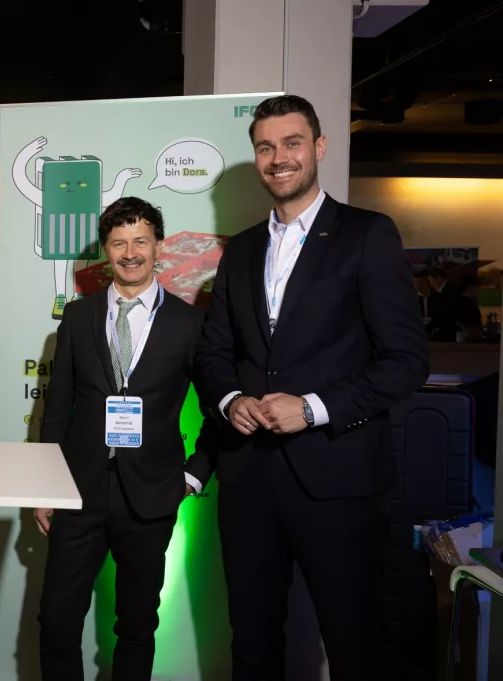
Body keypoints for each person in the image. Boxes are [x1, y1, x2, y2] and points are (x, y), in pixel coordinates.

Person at [194, 95, 429, 681]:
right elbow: (214, 353)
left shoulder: (366, 235)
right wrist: (230, 400)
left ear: (319, 147)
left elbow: (406, 361)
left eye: (292, 143)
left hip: (339, 479)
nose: (279, 158)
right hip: (249, 479)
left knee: (356, 644)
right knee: (251, 645)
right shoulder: (240, 250)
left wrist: (313, 408)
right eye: (265, 147)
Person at [35, 196, 215, 681]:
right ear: (106, 250)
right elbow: (57, 411)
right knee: (56, 620)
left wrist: (193, 477)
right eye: (118, 243)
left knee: (136, 624)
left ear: (158, 246)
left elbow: (219, 411)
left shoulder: (190, 323)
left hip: (152, 494)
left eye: (140, 241)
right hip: (78, 492)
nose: (130, 253)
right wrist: (45, 487)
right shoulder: (78, 318)